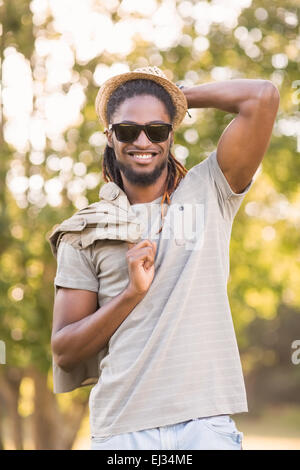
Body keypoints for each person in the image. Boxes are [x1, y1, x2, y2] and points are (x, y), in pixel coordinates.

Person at [49, 66, 280, 450]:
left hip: (204, 427)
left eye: (157, 130)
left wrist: (177, 95)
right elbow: (65, 351)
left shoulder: (211, 190)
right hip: (123, 431)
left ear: (171, 134)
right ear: (110, 137)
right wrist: (131, 295)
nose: (143, 140)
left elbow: (262, 97)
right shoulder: (83, 231)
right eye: (127, 130)